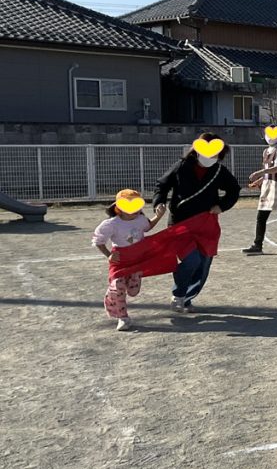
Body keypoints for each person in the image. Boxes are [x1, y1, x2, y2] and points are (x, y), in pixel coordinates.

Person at [153, 133, 241, 312]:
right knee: (191, 260)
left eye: (215, 153)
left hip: (206, 224)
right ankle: (178, 294)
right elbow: (162, 185)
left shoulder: (219, 170)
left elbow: (234, 189)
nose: (211, 156)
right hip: (181, 223)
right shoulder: (181, 166)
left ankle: (186, 298)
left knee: (203, 264)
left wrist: (222, 206)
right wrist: (159, 202)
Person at [92, 190, 166, 331]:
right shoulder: (111, 224)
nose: (135, 209)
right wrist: (108, 255)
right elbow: (98, 240)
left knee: (133, 291)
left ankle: (117, 294)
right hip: (119, 261)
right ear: (119, 208)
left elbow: (148, 226)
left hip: (137, 260)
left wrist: (158, 216)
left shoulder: (141, 220)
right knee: (118, 286)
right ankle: (123, 317)